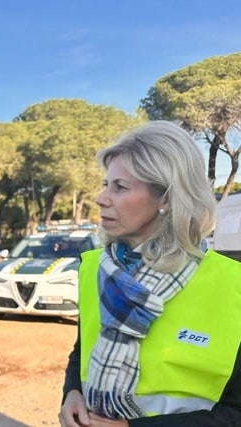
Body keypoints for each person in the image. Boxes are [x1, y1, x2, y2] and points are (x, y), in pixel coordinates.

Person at [58, 120, 241, 427]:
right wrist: (72, 391)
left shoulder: (233, 285)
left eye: (120, 187)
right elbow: (83, 350)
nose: (101, 198)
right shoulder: (95, 268)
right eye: (106, 184)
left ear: (167, 198)